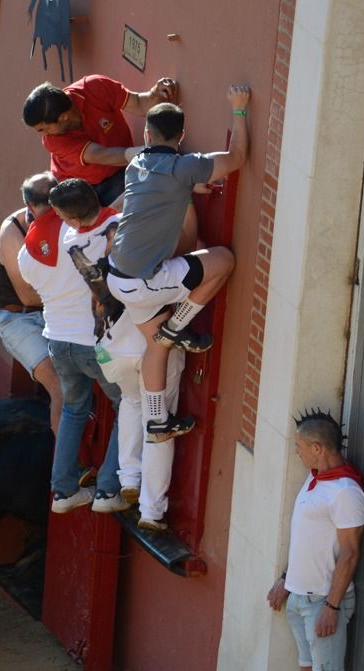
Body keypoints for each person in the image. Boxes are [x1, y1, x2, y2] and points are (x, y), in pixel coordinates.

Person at [106, 88, 249, 441]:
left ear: (146, 135)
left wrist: (187, 187)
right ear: (182, 136)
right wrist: (239, 111)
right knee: (224, 260)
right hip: (143, 282)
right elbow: (237, 157)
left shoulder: (137, 165)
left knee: (156, 348)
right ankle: (178, 325)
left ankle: (157, 422)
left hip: (117, 278)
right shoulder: (183, 166)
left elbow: (150, 196)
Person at [266, 410, 364, 671]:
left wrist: (333, 606)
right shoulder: (314, 481)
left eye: (301, 448)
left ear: (318, 448)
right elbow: (306, 542)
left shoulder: (345, 493)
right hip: (299, 598)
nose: (298, 455)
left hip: (324, 603)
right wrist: (284, 580)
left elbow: (350, 554)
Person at [17, 179, 125, 514]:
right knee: (129, 405)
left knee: (73, 409)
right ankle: (109, 489)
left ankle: (63, 491)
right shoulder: (109, 227)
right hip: (93, 343)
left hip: (57, 342)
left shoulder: (27, 252)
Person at [22, 75, 178, 207]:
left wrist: (156, 94)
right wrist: (145, 153)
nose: (43, 135)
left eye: (44, 129)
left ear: (63, 117)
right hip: (82, 192)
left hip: (120, 170)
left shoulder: (94, 86)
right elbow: (100, 155)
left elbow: (138, 103)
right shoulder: (52, 141)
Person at [0, 172, 63, 432]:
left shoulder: (63, 218)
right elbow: (27, 296)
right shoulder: (12, 233)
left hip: (54, 309)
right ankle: (63, 468)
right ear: (29, 207)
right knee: (59, 386)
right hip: (18, 318)